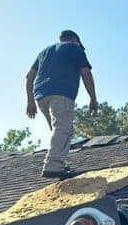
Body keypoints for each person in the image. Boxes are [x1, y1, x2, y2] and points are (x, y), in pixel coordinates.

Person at [25, 30, 98, 178]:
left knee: (57, 130)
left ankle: (58, 163)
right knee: (63, 128)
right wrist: (93, 98)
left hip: (41, 97)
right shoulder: (74, 48)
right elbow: (86, 73)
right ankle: (53, 165)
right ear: (74, 40)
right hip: (62, 93)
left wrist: (30, 101)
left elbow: (29, 76)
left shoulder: (44, 52)